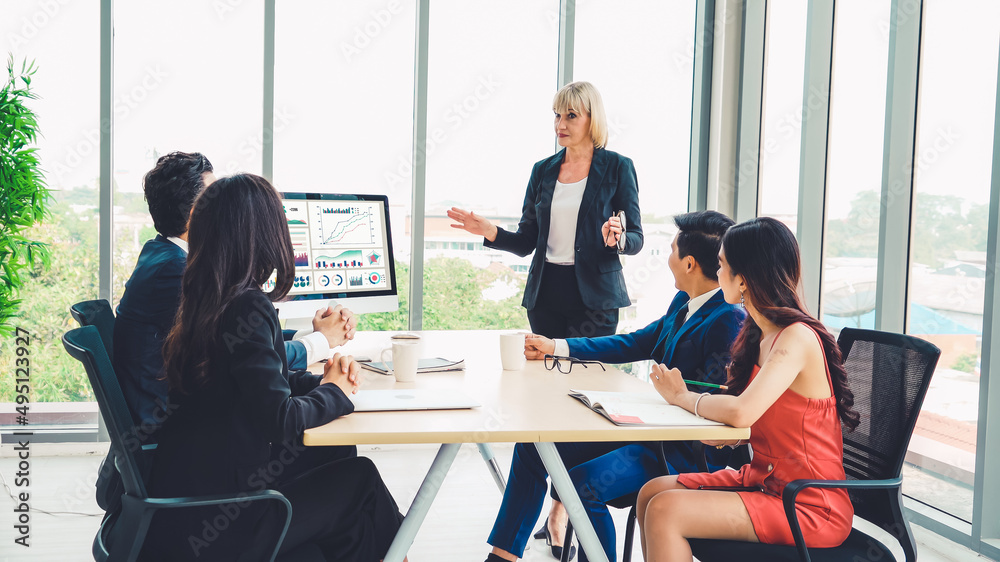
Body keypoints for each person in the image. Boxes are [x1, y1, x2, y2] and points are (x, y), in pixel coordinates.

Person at [144, 173, 403, 561]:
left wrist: (321, 381)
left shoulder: (206, 296)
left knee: (337, 453)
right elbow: (277, 419)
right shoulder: (248, 305)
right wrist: (336, 393)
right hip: (224, 519)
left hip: (195, 498)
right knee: (361, 479)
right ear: (265, 235)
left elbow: (253, 382)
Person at [484, 211, 745, 562]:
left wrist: (673, 397)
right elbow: (635, 343)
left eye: (670, 250)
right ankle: (502, 556)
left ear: (689, 264)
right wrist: (557, 346)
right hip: (649, 430)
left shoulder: (729, 319)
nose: (665, 259)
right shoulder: (684, 303)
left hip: (681, 451)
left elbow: (713, 401)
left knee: (582, 484)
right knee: (534, 445)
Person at [636, 217, 860, 561]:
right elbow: (760, 418)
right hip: (765, 481)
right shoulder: (759, 335)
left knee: (666, 509)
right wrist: (734, 435)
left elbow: (742, 410)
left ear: (742, 279)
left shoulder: (796, 337)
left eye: (722, 265)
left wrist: (683, 398)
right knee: (652, 492)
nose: (718, 272)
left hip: (809, 503)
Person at [114, 151, 355, 431]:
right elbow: (241, 351)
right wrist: (321, 341)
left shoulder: (163, 255)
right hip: (174, 432)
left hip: (185, 417)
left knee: (338, 451)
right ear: (199, 214)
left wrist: (313, 335)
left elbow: (244, 344)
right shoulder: (177, 273)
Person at [448, 81, 642, 339]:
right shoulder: (542, 170)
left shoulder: (618, 167)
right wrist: (491, 231)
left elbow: (636, 238)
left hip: (596, 301)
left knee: (588, 378)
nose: (560, 125)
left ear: (592, 119)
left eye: (571, 116)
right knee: (547, 376)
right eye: (557, 115)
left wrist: (618, 239)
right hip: (546, 297)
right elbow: (526, 242)